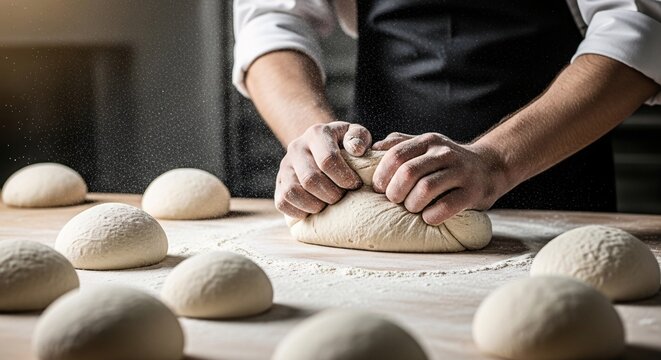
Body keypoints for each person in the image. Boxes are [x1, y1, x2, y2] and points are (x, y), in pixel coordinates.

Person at [233, 0, 661, 225]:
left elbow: (640, 27)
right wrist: (313, 139)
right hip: (374, 189)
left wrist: (496, 162)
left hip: (553, 171)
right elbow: (270, 18)